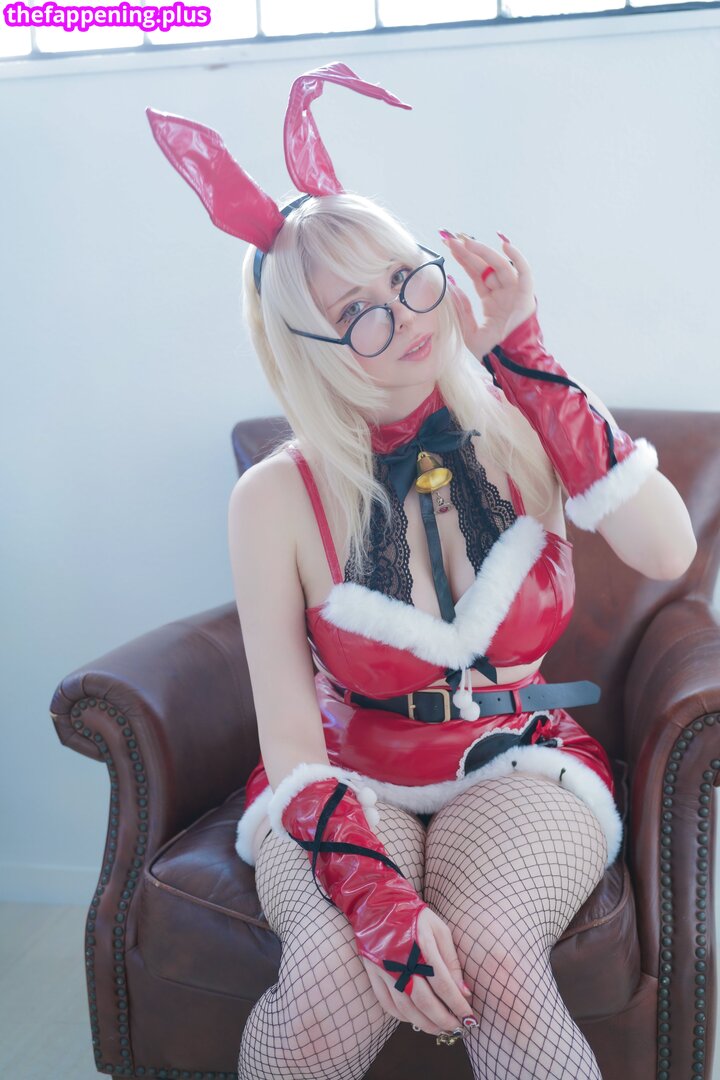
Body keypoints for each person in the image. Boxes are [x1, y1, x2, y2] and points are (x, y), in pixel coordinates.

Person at [147, 62, 698, 1080]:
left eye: (408, 277)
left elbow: (667, 550)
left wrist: (525, 354)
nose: (402, 317)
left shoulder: (524, 411)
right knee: (330, 981)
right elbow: (290, 732)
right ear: (308, 347)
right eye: (357, 311)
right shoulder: (273, 496)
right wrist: (377, 904)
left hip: (518, 755)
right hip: (341, 773)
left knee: (493, 950)